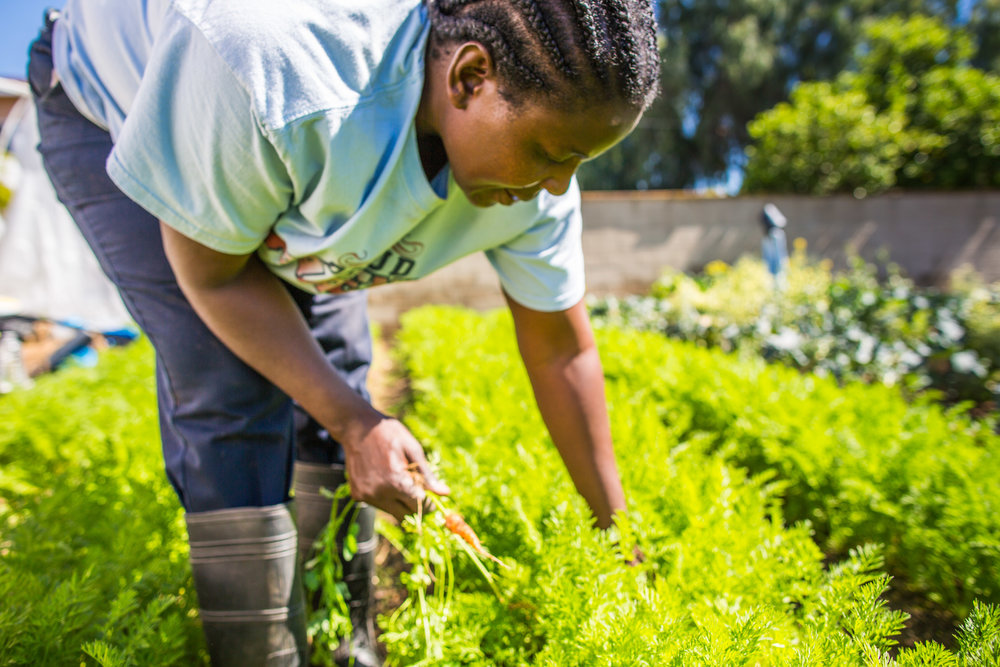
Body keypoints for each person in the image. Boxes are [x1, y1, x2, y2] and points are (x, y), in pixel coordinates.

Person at [28, 0, 660, 664]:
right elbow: (215, 279)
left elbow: (563, 349)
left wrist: (615, 537)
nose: (559, 184)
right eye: (551, 152)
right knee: (231, 384)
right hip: (112, 100)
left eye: (579, 161)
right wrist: (357, 421)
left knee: (339, 366)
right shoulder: (277, 67)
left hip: (279, 157)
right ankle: (262, 652)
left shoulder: (541, 191)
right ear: (471, 77)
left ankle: (341, 635)